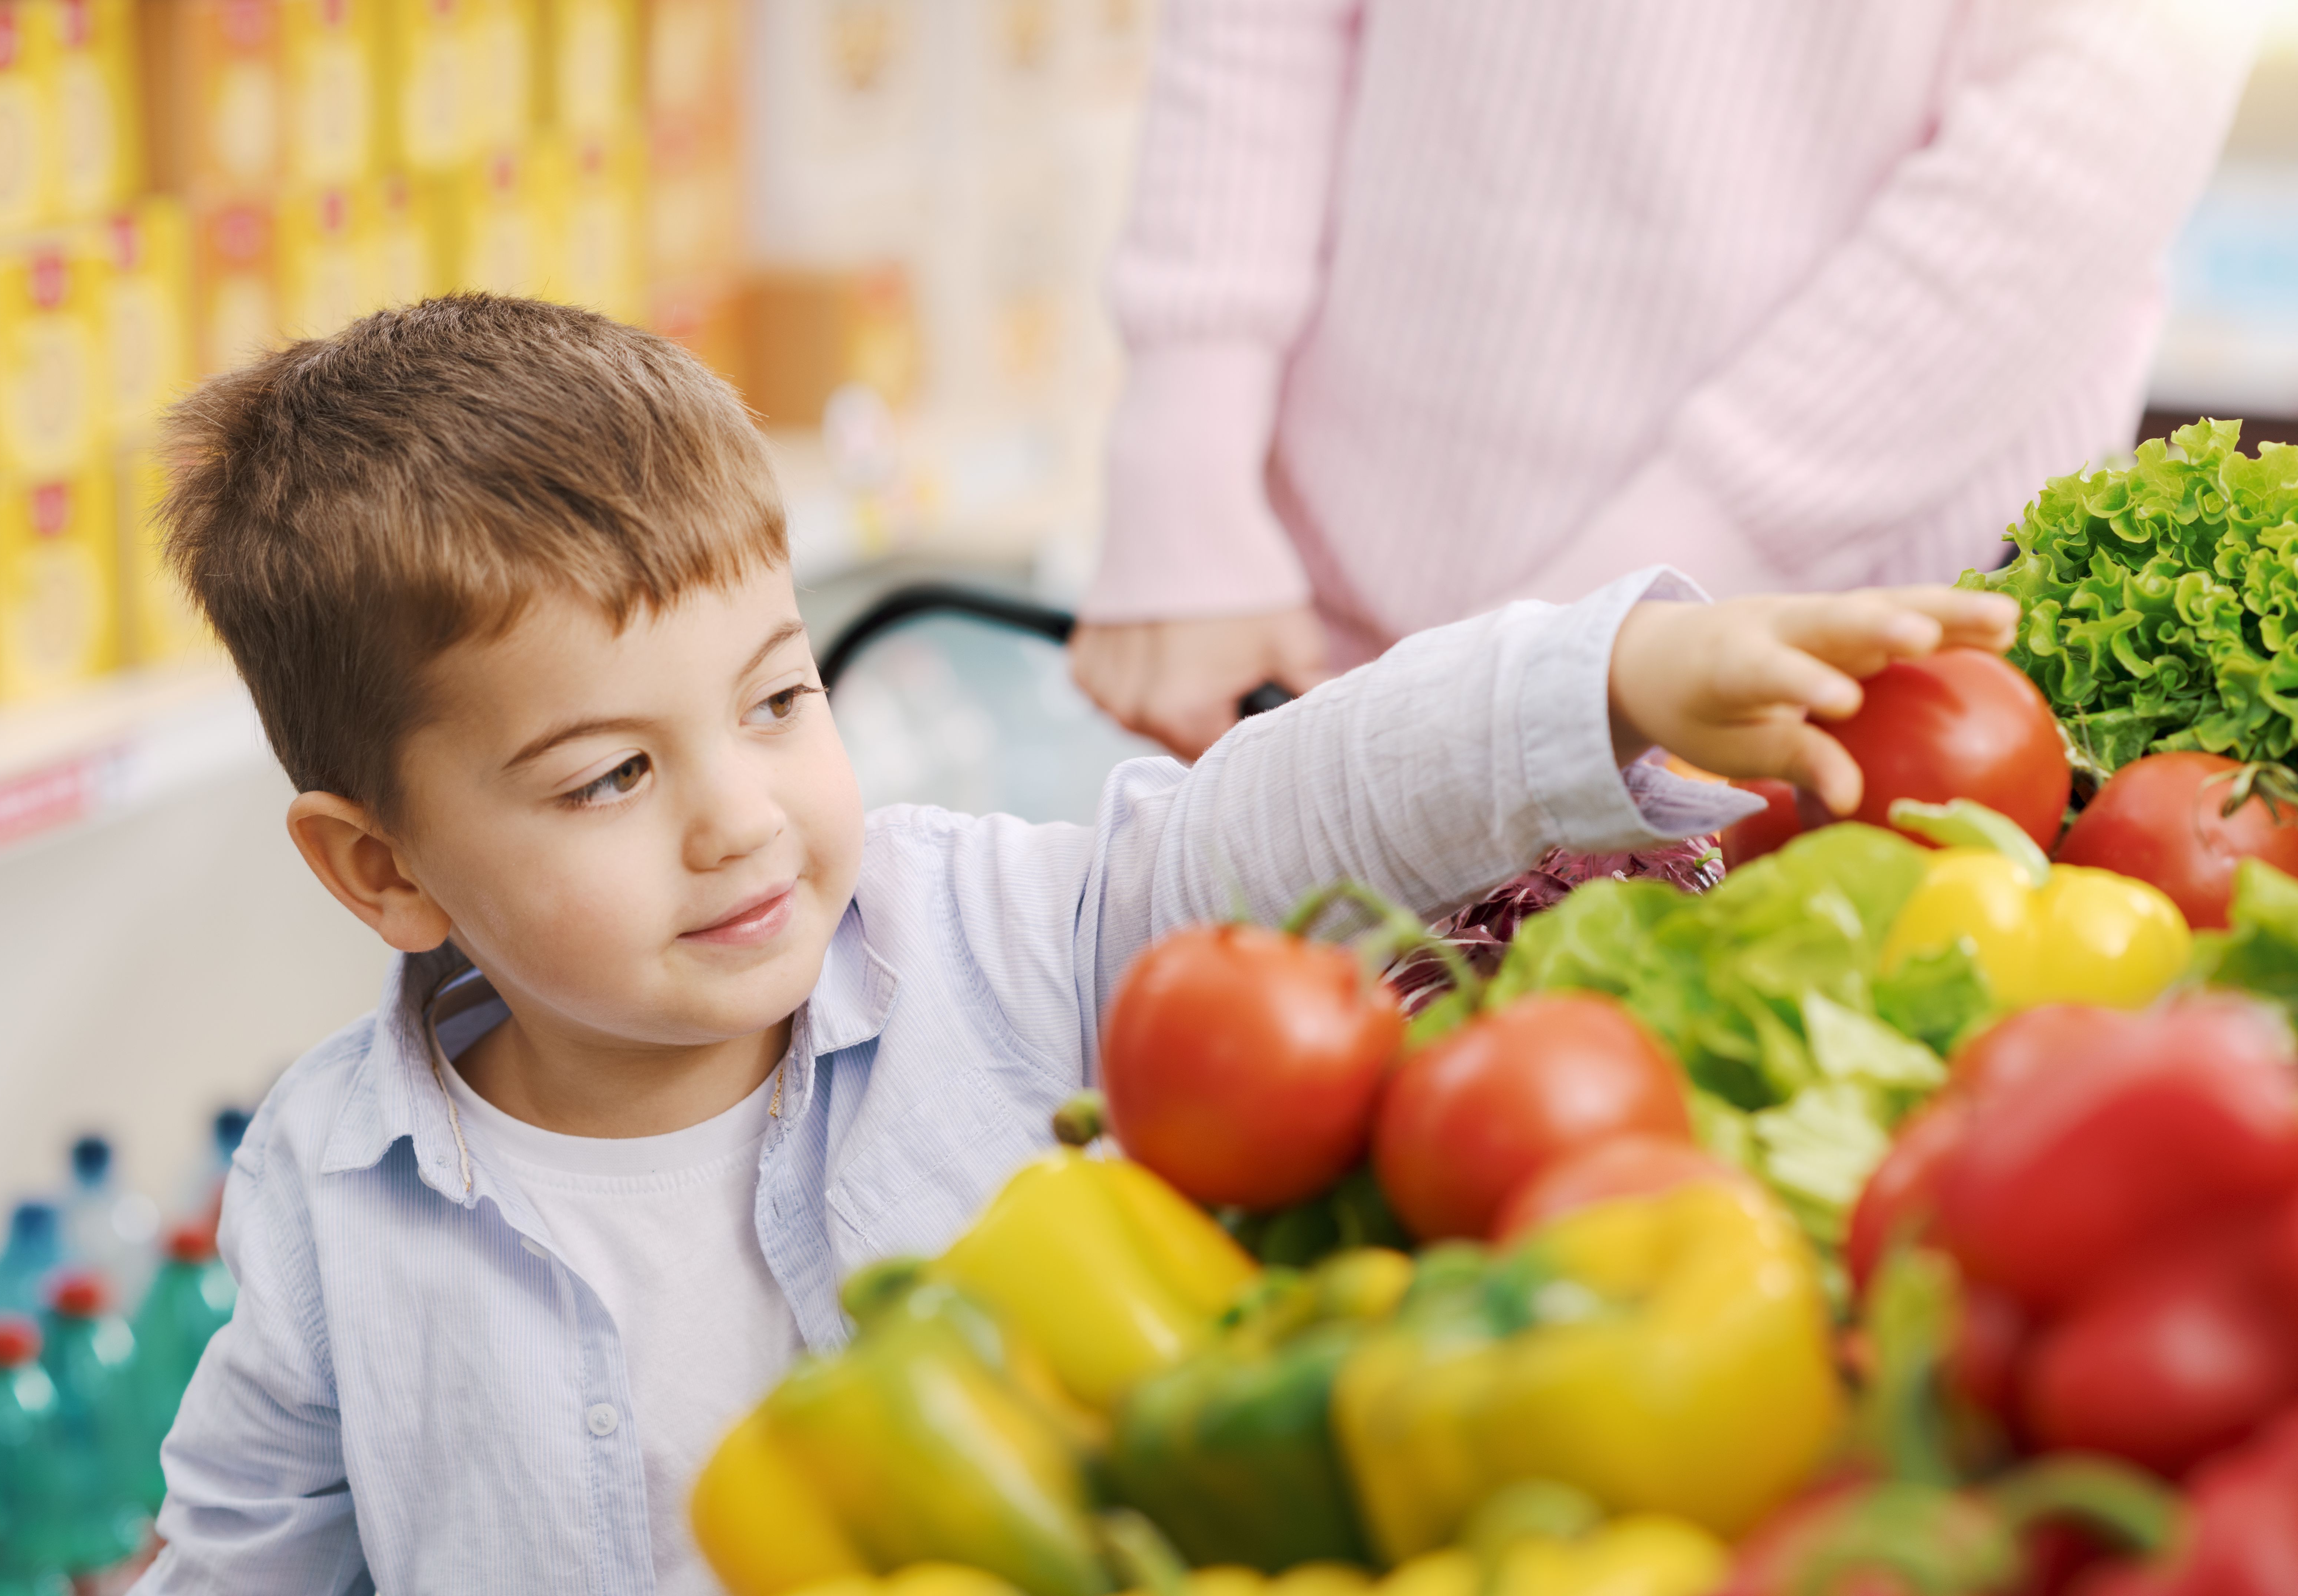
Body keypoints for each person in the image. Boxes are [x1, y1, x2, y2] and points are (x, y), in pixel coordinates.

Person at [132, 294, 2017, 1594]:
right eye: (612, 774)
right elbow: (242, 1555)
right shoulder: (332, 1179)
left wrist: (1601, 682)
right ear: (382, 872)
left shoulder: (999, 939)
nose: (741, 816)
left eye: (780, 699)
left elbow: (1285, 808)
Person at [1071, 0, 2263, 760]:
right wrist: (1185, 447)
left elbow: (2072, 149)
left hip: (1816, 694)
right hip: (1312, 637)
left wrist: (1597, 639)